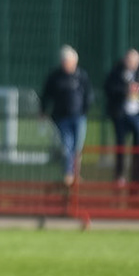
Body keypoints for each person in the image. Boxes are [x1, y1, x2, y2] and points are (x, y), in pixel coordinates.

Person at [41, 46, 91, 187]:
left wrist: (84, 110)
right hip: (61, 117)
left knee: (77, 146)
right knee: (67, 145)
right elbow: (46, 95)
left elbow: (88, 95)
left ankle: (76, 173)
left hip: (78, 117)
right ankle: (68, 174)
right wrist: (43, 110)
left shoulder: (81, 76)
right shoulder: (55, 77)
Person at [103, 48, 139, 185]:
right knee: (121, 145)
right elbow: (109, 88)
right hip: (120, 114)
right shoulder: (116, 72)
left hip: (137, 115)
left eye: (135, 61)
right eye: (130, 61)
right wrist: (124, 90)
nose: (133, 64)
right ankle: (119, 174)